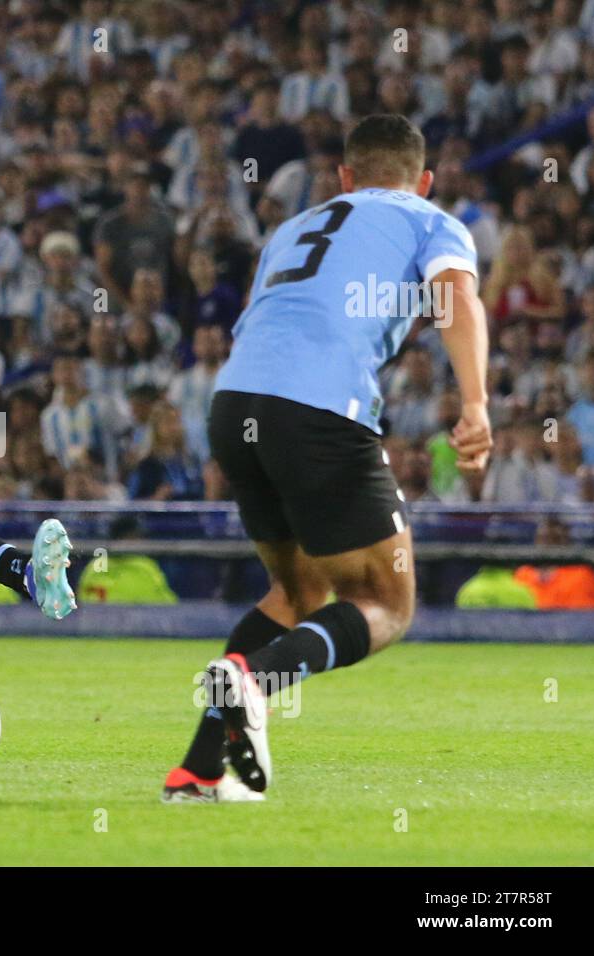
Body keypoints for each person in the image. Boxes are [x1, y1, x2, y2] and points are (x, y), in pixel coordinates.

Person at [161, 114, 491, 803]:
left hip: (233, 407)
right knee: (387, 602)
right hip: (317, 412)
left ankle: (197, 772)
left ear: (344, 177)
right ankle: (256, 685)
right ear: (422, 180)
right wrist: (476, 403)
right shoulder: (431, 219)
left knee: (295, 594)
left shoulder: (292, 227)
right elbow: (457, 296)